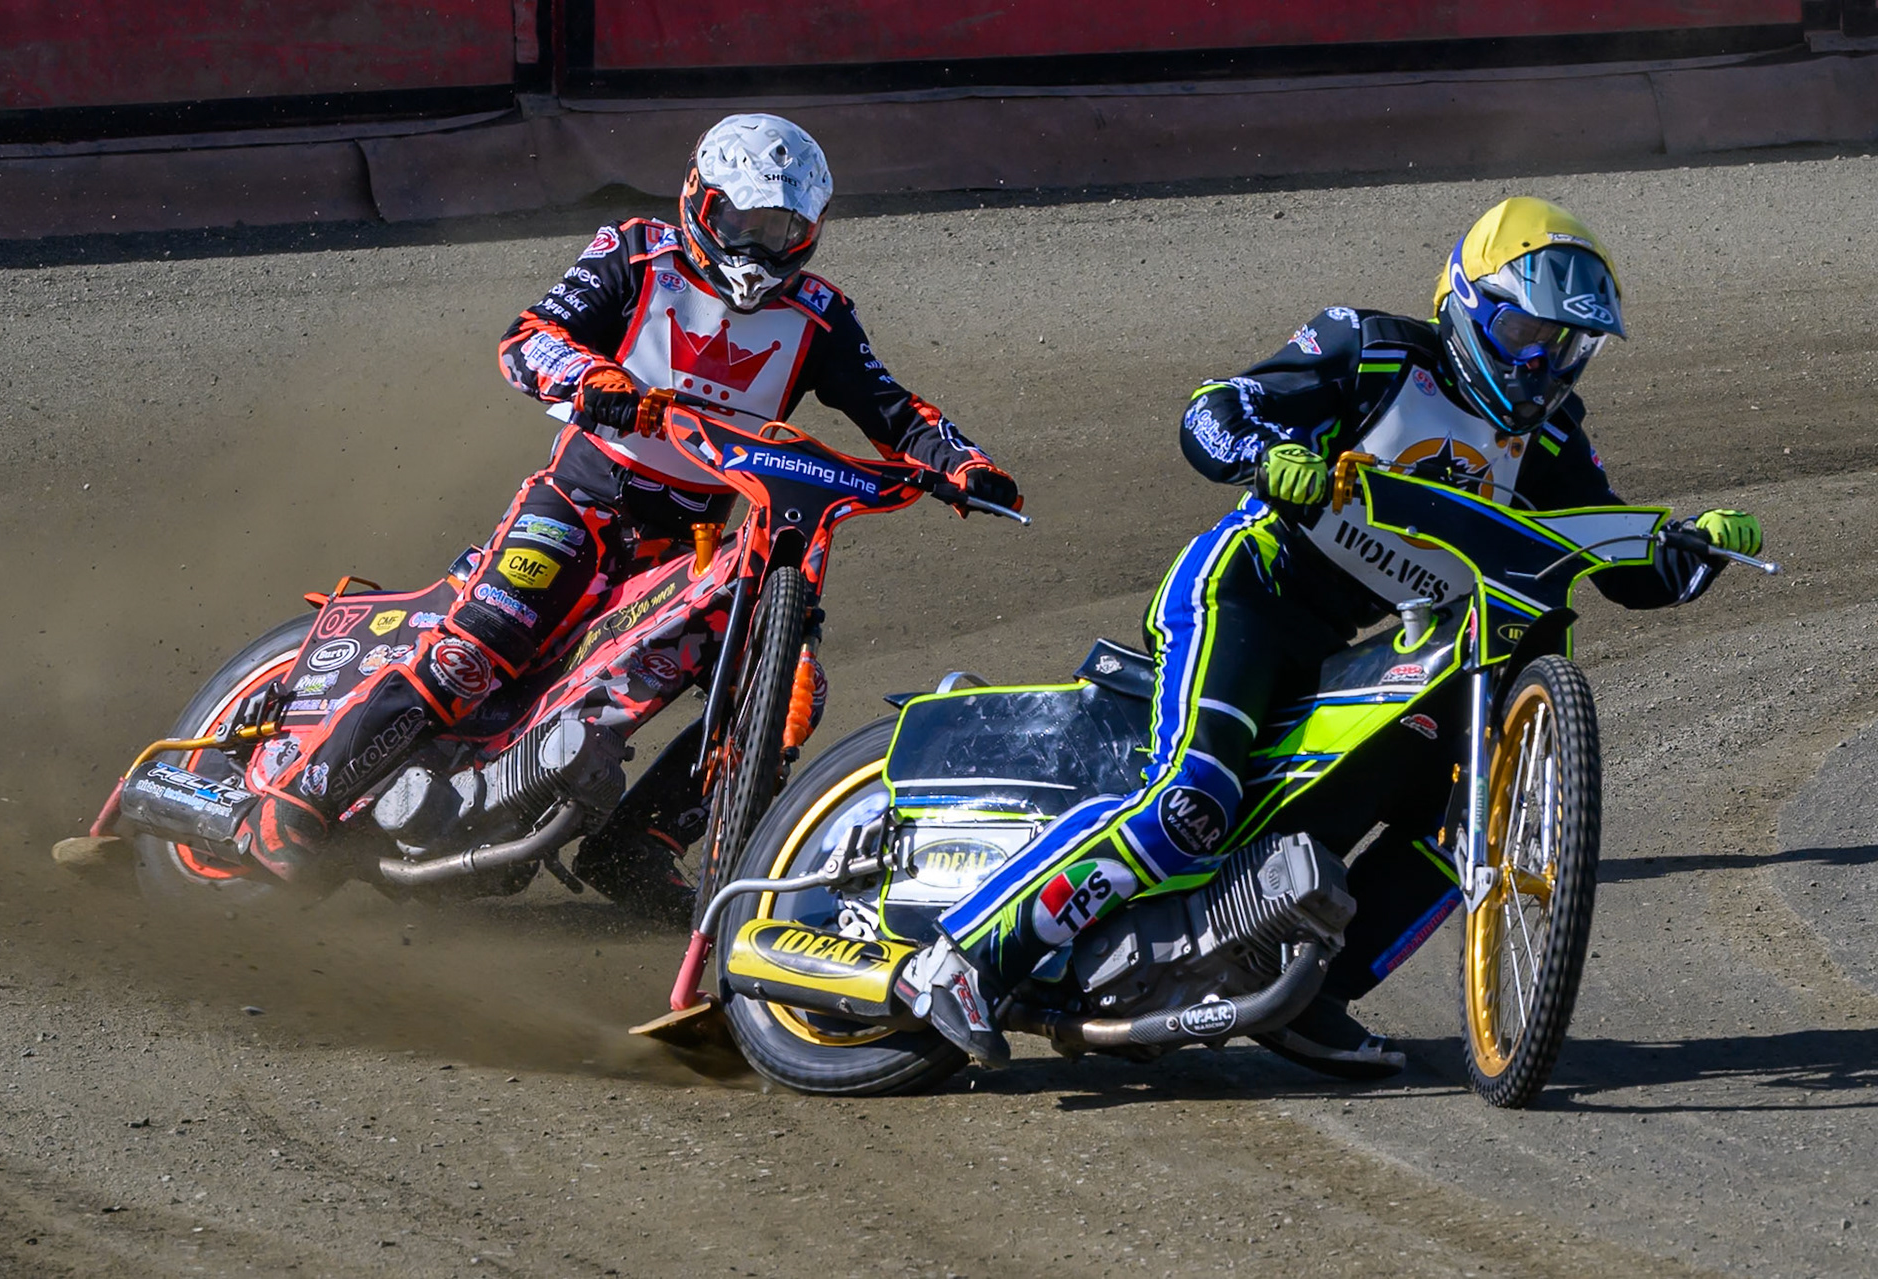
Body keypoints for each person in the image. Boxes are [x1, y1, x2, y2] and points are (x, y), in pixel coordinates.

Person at [899, 196, 1763, 1069]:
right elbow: (1212, 410)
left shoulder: (1551, 438)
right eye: (1521, 329)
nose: (1539, 361)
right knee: (1191, 803)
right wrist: (1267, 454)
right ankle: (959, 958)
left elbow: (1610, 560)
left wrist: (1692, 547)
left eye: (1562, 344)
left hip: (1352, 646)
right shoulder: (1373, 348)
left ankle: (1309, 992)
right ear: (1465, 301)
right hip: (1249, 589)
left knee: (1458, 823)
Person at [238, 113, 1020, 898]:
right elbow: (529, 337)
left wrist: (959, 462)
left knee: (785, 695)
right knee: (472, 651)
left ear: (810, 231)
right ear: (699, 201)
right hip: (581, 504)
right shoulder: (636, 253)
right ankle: (301, 797)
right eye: (740, 220)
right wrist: (594, 381)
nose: (756, 246)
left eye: (780, 228)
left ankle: (637, 843)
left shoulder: (820, 315)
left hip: (699, 543)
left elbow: (892, 409)